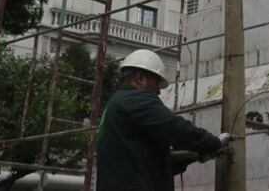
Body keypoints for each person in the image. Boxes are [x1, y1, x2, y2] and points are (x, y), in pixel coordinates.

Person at [96, 49, 226, 191]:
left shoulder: (116, 104)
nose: (158, 91)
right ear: (140, 78)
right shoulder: (135, 100)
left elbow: (150, 166)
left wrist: (193, 157)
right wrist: (214, 143)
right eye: (157, 83)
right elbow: (176, 128)